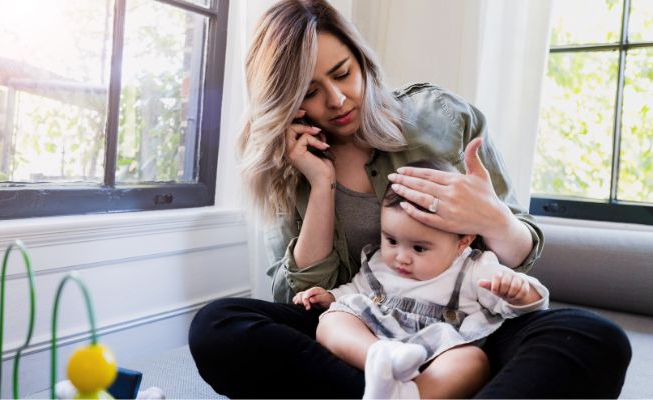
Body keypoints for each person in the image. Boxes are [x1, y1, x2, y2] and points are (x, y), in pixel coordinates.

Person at [189, 0, 631, 398]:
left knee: (593, 337)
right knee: (218, 327)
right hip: (361, 333)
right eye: (309, 92)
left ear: (361, 60)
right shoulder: (289, 167)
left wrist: (491, 218)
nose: (338, 99)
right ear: (284, 101)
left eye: (342, 73)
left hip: (464, 331)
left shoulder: (441, 117)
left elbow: (520, 257)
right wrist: (320, 187)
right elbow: (301, 300)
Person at [292, 160, 549, 399]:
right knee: (332, 320)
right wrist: (331, 297)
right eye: (391, 240)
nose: (401, 257)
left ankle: (412, 395)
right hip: (377, 339)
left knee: (473, 361)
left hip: (437, 353)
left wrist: (519, 292)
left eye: (419, 248)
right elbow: (356, 291)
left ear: (463, 241)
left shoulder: (473, 268)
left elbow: (531, 305)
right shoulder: (380, 261)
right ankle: (378, 359)